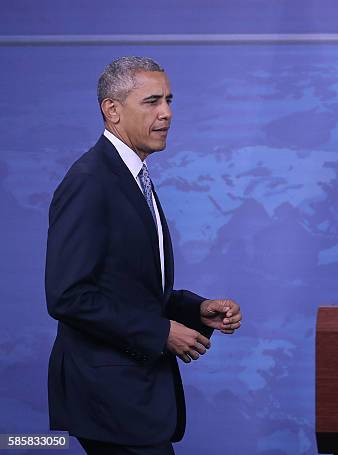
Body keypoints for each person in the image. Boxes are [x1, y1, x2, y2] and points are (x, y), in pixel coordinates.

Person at [45, 56, 242, 455]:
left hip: (130, 396)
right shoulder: (90, 182)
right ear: (112, 110)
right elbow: (67, 296)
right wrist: (160, 332)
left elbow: (127, 286)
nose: (167, 113)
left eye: (169, 100)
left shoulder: (131, 177)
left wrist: (195, 309)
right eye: (152, 101)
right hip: (110, 398)